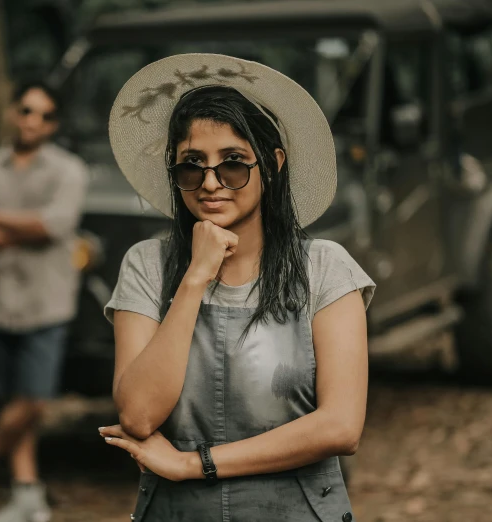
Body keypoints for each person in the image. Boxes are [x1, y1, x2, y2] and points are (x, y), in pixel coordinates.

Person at [99, 54, 375, 521]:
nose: (211, 183)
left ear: (272, 164)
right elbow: (138, 415)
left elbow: (341, 427)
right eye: (192, 165)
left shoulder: (325, 267)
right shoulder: (147, 264)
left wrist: (195, 464)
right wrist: (194, 278)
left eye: (232, 163)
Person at [0, 81, 88, 522]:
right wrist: (27, 228)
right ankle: (28, 492)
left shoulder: (69, 170)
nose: (33, 121)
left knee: (34, 398)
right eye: (27, 110)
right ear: (13, 112)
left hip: (46, 302)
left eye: (45, 115)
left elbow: (57, 225)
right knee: (9, 398)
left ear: (55, 123)